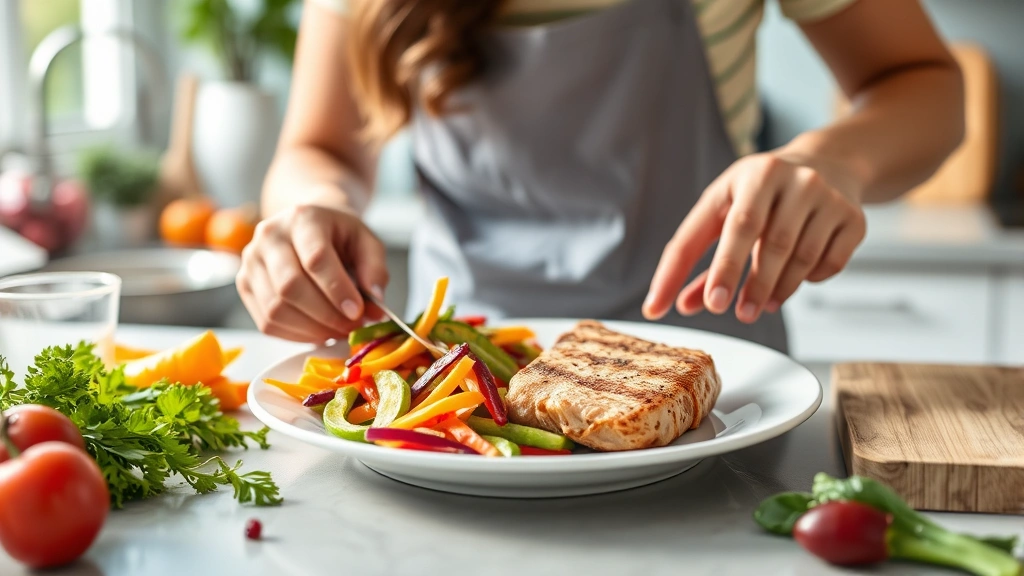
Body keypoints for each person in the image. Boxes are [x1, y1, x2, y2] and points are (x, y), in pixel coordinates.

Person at [237, 0, 963, 352]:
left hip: (713, 378)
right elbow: (320, 148)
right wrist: (312, 211)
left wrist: (835, 158)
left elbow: (925, 86)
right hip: (458, 375)